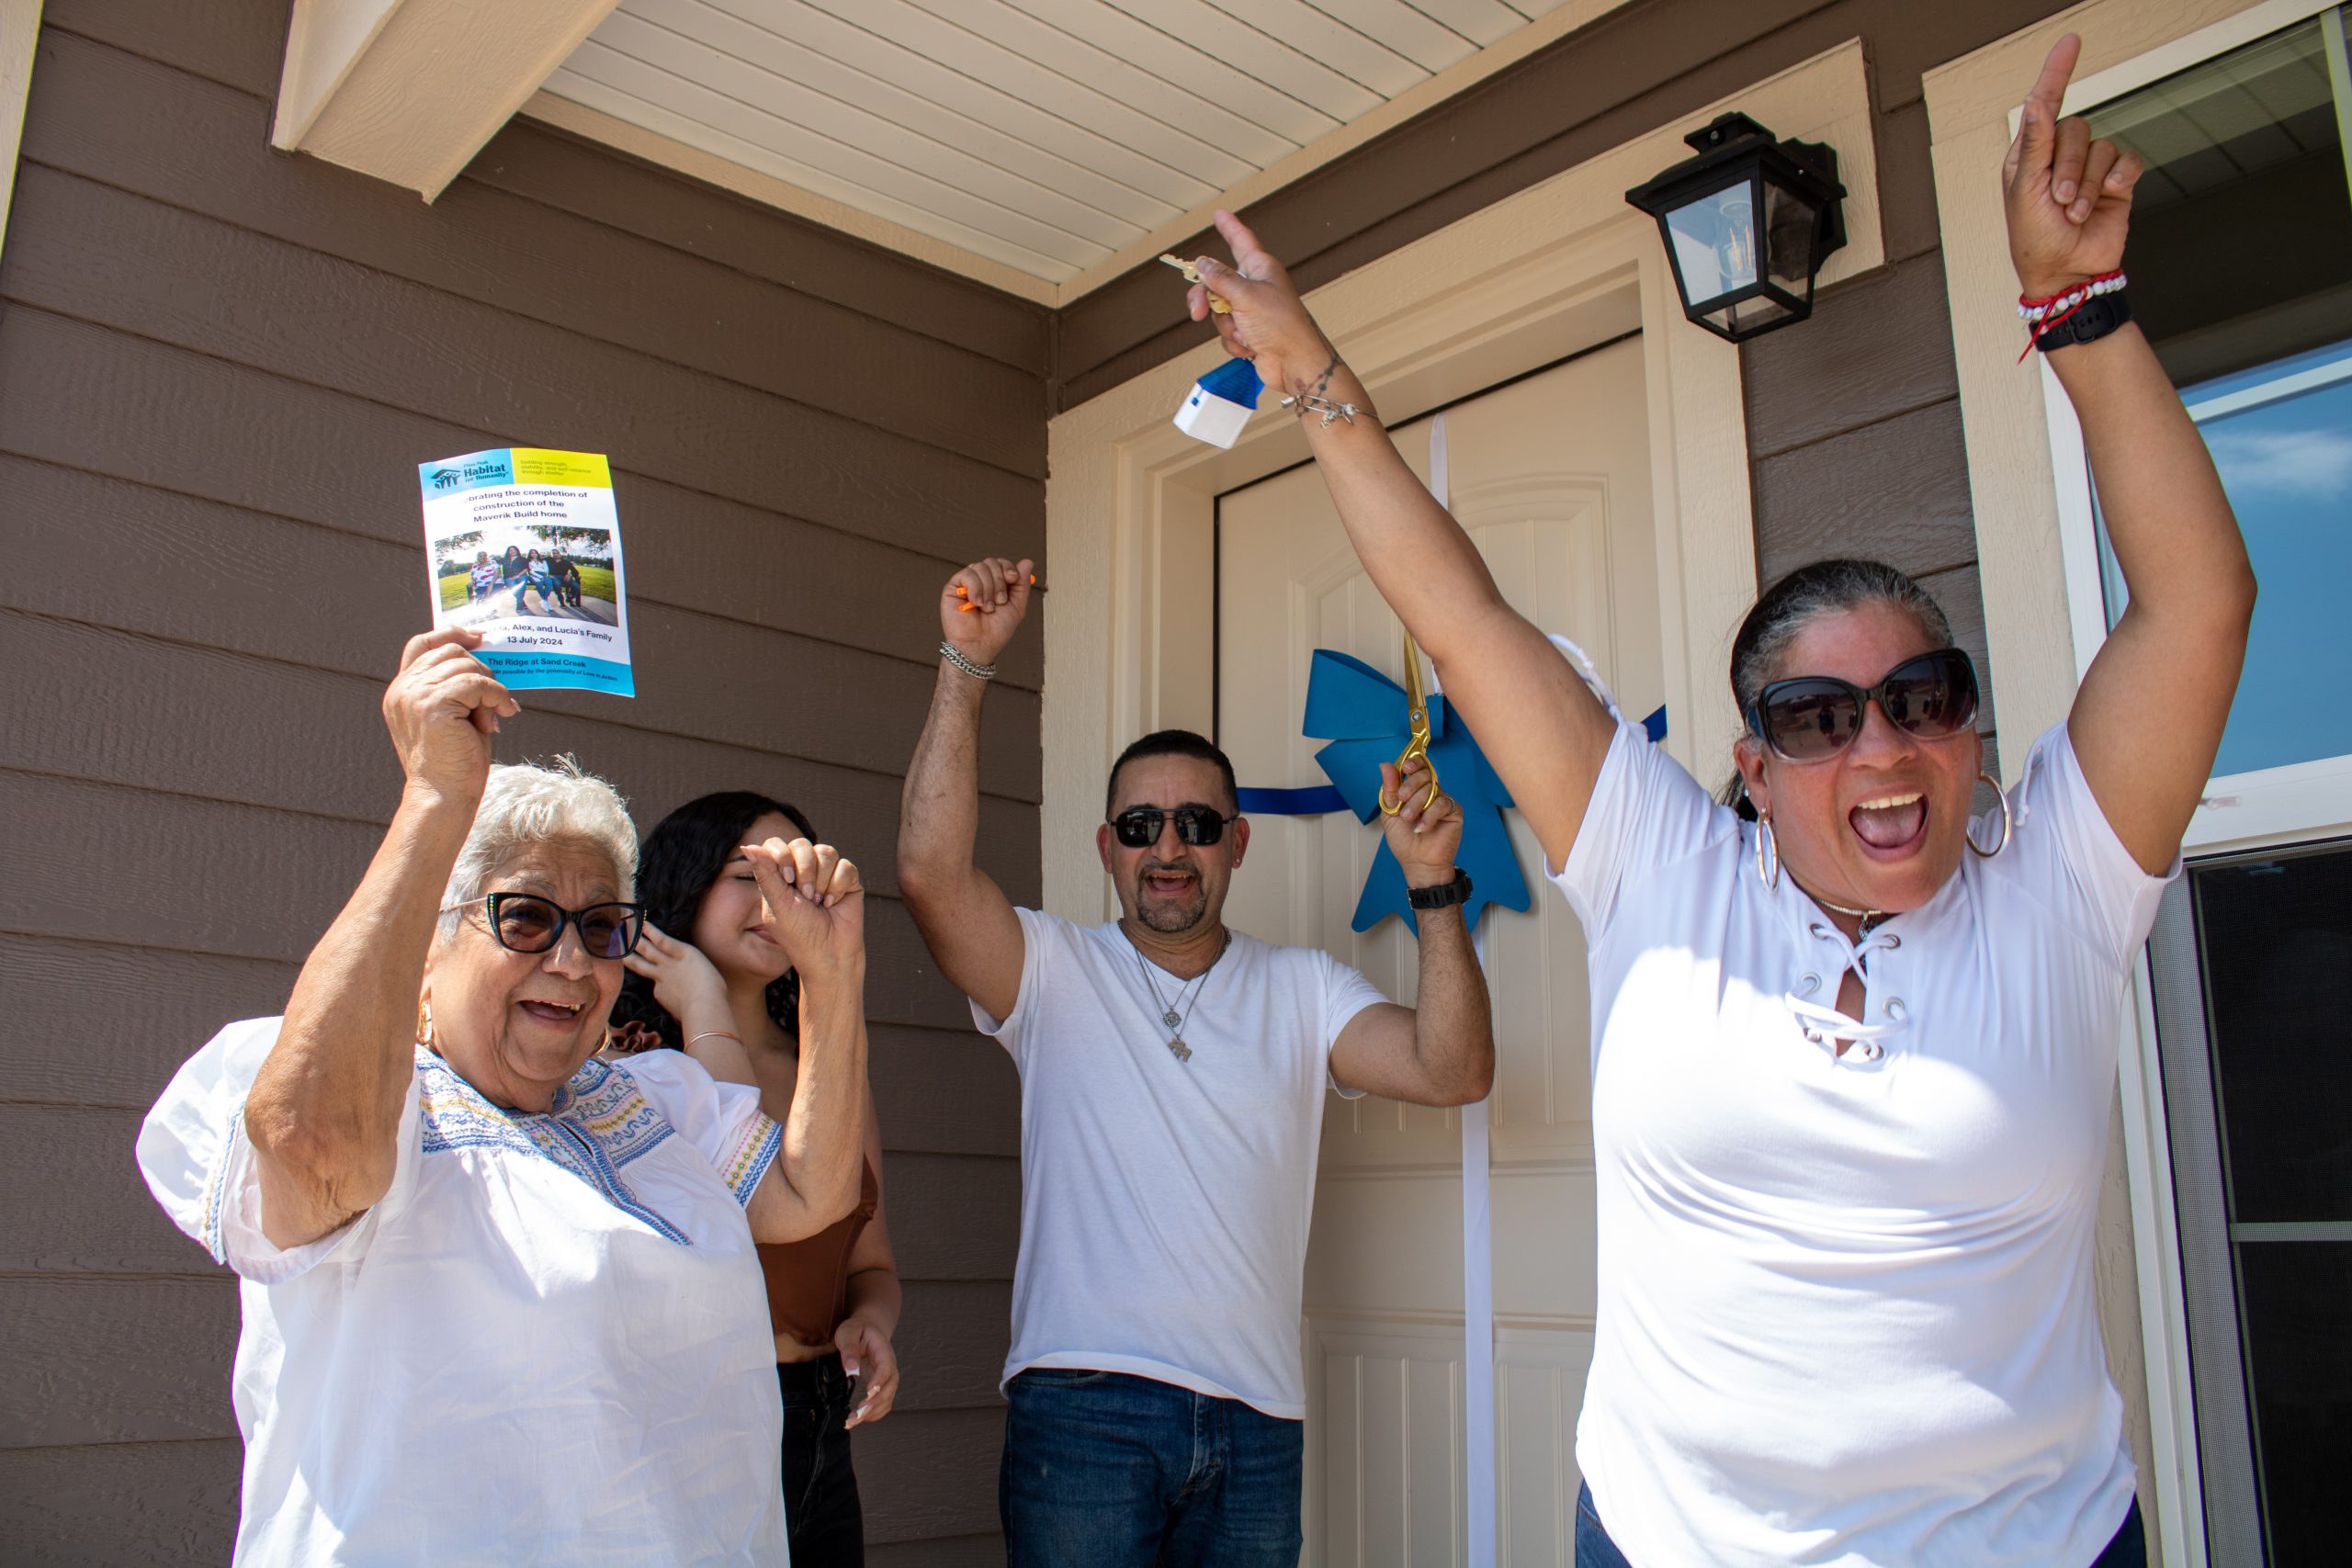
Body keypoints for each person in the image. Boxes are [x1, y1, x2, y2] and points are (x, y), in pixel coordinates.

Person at [1169, 33, 2253, 1568]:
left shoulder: (2058, 887)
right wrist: (1311, 379)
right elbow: (1467, 622)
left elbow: (2197, 603)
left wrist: (2075, 310)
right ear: (1751, 765)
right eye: (1819, 716)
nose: (1883, 745)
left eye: (1924, 698)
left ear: (1967, 726)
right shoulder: (1666, 869)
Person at [134, 626, 873, 1565]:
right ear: (431, 944)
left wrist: (835, 978)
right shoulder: (371, 1098)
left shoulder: (657, 1102)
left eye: (602, 927)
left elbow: (813, 1198)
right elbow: (309, 1147)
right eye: (523, 916)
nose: (569, 958)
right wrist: (436, 802)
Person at [898, 558, 1497, 1567]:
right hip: (1084, 1411)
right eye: (1140, 827)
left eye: (1196, 825)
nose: (1167, 847)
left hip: (1257, 1423)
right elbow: (926, 872)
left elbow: (1452, 1071)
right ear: (1105, 848)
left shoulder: (1304, 990)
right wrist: (965, 665)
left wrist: (1432, 886)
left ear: (1236, 844)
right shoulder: (1050, 968)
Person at [612, 791, 903, 1567]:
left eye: (796, 877)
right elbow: (753, 1201)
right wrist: (704, 1004)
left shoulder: (827, 1067)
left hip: (817, 1418)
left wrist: (871, 1322)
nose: (778, 899)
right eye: (748, 873)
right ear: (684, 884)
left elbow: (870, 1260)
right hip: (693, 1417)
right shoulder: (629, 1059)